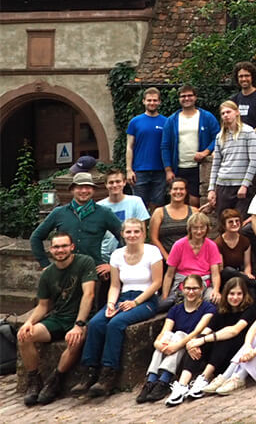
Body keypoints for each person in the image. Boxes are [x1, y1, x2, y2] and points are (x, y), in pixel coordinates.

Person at [76, 218, 164, 398]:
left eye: (136, 232)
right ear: (123, 234)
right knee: (96, 322)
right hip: (122, 297)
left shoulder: (152, 252)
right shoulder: (116, 254)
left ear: (143, 233)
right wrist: (110, 304)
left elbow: (157, 283)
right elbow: (115, 285)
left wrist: (136, 302)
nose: (132, 235)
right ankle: (89, 371)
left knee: (116, 323)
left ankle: (108, 373)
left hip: (145, 299)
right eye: (128, 232)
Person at [18, 232, 97, 407]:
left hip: (82, 317)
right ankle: (34, 381)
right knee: (24, 336)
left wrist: (79, 324)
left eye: (63, 246)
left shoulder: (84, 262)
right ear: (51, 250)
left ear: (71, 247)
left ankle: (56, 380)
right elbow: (43, 306)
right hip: (58, 318)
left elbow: (89, 294)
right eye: (56, 247)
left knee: (75, 340)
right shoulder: (48, 274)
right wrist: (29, 322)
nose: (60, 250)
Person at [169, 277, 256, 404]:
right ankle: (182, 386)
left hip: (236, 357)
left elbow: (234, 330)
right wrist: (193, 343)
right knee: (199, 343)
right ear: (226, 294)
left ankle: (204, 378)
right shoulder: (221, 310)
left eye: (239, 294)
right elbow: (207, 330)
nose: (235, 297)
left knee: (223, 337)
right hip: (217, 357)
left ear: (244, 295)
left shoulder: (250, 310)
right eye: (232, 294)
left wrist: (204, 339)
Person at [30, 173, 122, 288]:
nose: (84, 191)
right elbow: (36, 237)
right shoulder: (59, 213)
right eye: (79, 187)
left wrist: (112, 265)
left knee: (91, 304)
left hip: (94, 272)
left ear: (93, 190)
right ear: (72, 190)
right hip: (64, 272)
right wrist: (45, 264)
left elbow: (125, 237)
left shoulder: (104, 213)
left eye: (87, 187)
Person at [136, 274, 216, 403]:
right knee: (167, 336)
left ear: (201, 289)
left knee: (179, 334)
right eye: (188, 288)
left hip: (190, 345)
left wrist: (176, 346)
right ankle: (151, 381)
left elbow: (197, 331)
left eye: (195, 288)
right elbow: (165, 331)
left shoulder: (208, 308)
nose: (191, 292)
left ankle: (164, 381)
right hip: (173, 346)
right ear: (182, 289)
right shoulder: (175, 309)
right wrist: (158, 344)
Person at [162, 84, 220, 207]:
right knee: (179, 198)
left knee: (195, 200)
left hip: (198, 166)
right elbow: (165, 145)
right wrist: (168, 170)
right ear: (179, 99)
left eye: (189, 95)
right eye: (183, 96)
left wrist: (205, 152)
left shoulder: (207, 117)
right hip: (179, 166)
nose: (186, 98)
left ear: (195, 97)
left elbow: (218, 137)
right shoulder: (171, 120)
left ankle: (195, 224)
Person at [206, 101, 256, 217]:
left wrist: (245, 185)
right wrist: (211, 189)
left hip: (241, 185)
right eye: (223, 113)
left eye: (228, 112)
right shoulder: (219, 136)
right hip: (223, 184)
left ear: (237, 112)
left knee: (239, 222)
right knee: (223, 222)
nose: (226, 115)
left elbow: (254, 161)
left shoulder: (248, 132)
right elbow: (216, 164)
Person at [160, 213, 222, 307]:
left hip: (203, 283)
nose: (199, 231)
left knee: (212, 300)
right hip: (183, 283)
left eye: (202, 228)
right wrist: (165, 295)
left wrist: (216, 290)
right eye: (195, 228)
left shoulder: (211, 245)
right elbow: (169, 274)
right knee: (168, 304)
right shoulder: (179, 245)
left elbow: (215, 273)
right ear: (190, 229)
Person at [126, 87, 168, 208]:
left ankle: (154, 227)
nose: (152, 103)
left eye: (155, 100)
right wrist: (129, 169)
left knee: (158, 205)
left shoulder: (166, 122)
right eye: (149, 100)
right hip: (139, 171)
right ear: (143, 101)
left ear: (159, 102)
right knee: (139, 207)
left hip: (160, 171)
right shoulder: (135, 122)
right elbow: (129, 147)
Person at [98, 169, 150, 265]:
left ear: (124, 182)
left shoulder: (136, 202)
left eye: (118, 181)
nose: (114, 185)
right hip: (106, 257)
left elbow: (142, 232)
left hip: (132, 255)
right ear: (106, 185)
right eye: (111, 182)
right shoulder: (99, 206)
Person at [150, 179, 195, 264]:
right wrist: (168, 258)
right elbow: (154, 238)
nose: (178, 191)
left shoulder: (194, 211)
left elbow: (197, 236)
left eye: (181, 189)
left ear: (186, 192)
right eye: (175, 189)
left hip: (189, 258)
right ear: (170, 191)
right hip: (165, 257)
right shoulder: (159, 212)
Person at [229, 61, 256, 139]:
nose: (244, 79)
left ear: (252, 77)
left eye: (247, 76)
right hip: (236, 139)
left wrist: (246, 137)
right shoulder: (234, 99)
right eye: (241, 76)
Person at [214, 209, 255, 287]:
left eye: (237, 221)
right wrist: (241, 275)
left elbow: (247, 265)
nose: (235, 224)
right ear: (224, 225)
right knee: (228, 270)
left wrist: (248, 274)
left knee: (251, 286)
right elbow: (221, 269)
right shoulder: (218, 243)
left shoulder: (245, 241)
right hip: (225, 276)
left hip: (240, 274)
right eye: (230, 222)